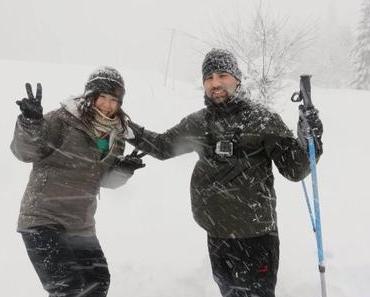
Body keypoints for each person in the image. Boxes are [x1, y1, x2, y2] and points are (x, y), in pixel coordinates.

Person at [127, 49, 323, 297]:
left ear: (237, 79)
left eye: (222, 75)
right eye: (208, 78)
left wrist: (310, 137)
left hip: (256, 237)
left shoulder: (262, 119)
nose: (215, 83)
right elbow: (164, 146)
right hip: (217, 236)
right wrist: (127, 129)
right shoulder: (199, 122)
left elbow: (296, 169)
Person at [11, 66, 145, 297]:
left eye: (114, 99)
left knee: (98, 282)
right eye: (101, 97)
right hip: (42, 220)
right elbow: (25, 153)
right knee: (68, 287)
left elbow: (102, 179)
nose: (107, 105)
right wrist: (30, 123)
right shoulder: (62, 120)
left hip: (80, 225)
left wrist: (123, 170)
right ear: (89, 96)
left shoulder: (116, 135)